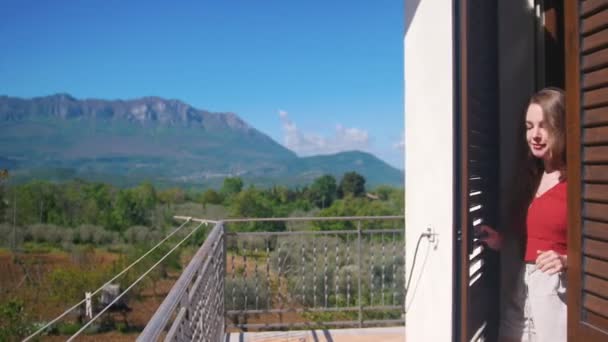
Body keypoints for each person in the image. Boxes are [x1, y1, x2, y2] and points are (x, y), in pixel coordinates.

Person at [480, 87, 567, 342]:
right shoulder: (532, 177)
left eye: (544, 126)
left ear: (561, 127)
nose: (535, 135)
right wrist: (501, 240)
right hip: (523, 284)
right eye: (529, 126)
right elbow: (533, 234)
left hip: (556, 290)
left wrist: (568, 259)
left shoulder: (577, 181)